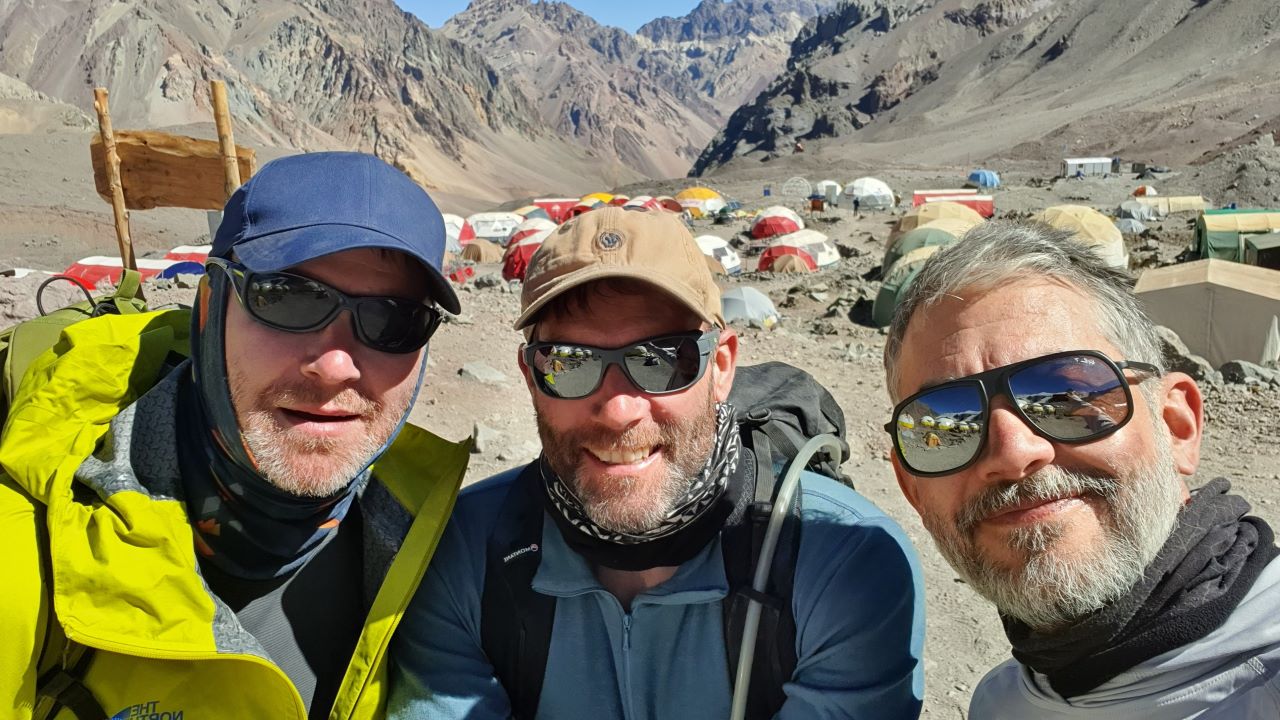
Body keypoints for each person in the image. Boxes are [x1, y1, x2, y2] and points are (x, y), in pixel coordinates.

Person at [391, 206, 925, 719]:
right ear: (532, 379)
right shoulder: (465, 552)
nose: (619, 410)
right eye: (571, 364)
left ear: (720, 367)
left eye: (663, 360)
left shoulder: (839, 562)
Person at [0, 152, 471, 719]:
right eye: (288, 297)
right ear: (208, 310)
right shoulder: (28, 552)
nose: (337, 366)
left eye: (395, 320)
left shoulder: (444, 551)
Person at [882, 220, 1280, 718]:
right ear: (913, 490)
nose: (1013, 451)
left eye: (1070, 395)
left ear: (1178, 427)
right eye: (946, 424)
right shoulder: (999, 704)